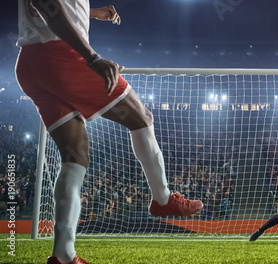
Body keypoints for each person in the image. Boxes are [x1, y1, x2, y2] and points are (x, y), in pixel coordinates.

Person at [15, 1, 203, 263]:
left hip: (31, 63)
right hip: (60, 55)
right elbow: (49, 7)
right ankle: (162, 199)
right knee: (141, 118)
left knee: (75, 159)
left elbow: (51, 8)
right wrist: (92, 57)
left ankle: (63, 256)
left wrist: (92, 13)